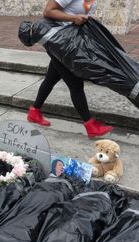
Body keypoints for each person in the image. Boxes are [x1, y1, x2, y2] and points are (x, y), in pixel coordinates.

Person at [27, 0, 113, 139]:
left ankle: (34, 111)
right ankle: (90, 126)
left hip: (69, 43)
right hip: (57, 41)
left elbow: (83, 18)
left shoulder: (92, 1)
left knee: (51, 78)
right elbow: (48, 11)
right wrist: (73, 18)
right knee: (76, 84)